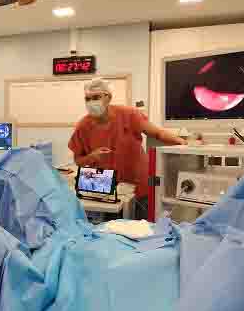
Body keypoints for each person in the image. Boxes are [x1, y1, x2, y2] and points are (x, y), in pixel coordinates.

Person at [69, 77, 186, 219]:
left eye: (96, 97)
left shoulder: (129, 115)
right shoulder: (83, 127)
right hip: (106, 189)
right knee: (112, 229)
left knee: (141, 227)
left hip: (138, 184)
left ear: (108, 97)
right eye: (87, 99)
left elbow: (157, 133)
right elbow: (78, 160)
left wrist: (182, 142)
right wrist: (91, 157)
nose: (91, 102)